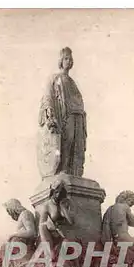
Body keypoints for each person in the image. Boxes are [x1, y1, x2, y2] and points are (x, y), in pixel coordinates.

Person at [38, 47, 87, 177]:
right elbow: (47, 96)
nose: (69, 61)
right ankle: (63, 169)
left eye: (71, 59)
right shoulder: (54, 78)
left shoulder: (72, 82)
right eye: (66, 58)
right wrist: (49, 113)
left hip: (76, 115)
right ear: (61, 60)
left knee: (76, 144)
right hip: (65, 116)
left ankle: (72, 171)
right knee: (67, 139)